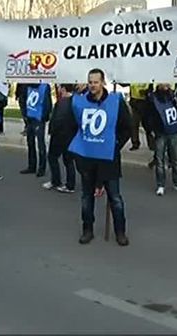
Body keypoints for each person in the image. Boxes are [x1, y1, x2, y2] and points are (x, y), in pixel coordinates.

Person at [67, 69, 131, 246]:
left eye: (95, 82)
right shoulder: (79, 102)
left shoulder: (115, 102)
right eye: (90, 82)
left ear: (103, 82)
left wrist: (115, 144)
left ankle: (120, 232)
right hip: (87, 158)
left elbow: (127, 126)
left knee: (115, 198)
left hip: (108, 159)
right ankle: (87, 230)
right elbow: (72, 124)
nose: (92, 85)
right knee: (87, 197)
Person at [145, 83, 177, 196]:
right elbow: (148, 115)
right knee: (160, 160)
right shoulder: (152, 98)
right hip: (160, 132)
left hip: (174, 131)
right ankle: (160, 185)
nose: (166, 85)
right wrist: (151, 129)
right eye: (163, 83)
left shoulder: (174, 95)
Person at [43, 83, 76, 193]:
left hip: (60, 136)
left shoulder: (62, 103)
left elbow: (58, 120)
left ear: (63, 89)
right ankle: (70, 184)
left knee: (52, 157)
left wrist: (52, 131)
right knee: (69, 161)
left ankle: (56, 181)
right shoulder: (75, 102)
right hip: (71, 136)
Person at [20, 83, 52, 177]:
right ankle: (31, 166)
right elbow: (23, 99)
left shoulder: (44, 86)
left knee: (40, 144)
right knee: (30, 143)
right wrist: (25, 114)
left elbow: (47, 103)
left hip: (39, 119)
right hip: (30, 117)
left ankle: (42, 168)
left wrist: (44, 117)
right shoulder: (27, 86)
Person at [128, 83, 154, 151]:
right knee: (134, 124)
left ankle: (152, 144)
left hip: (145, 102)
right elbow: (125, 83)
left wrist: (146, 91)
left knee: (147, 125)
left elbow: (152, 86)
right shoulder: (132, 76)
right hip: (135, 102)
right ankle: (135, 143)